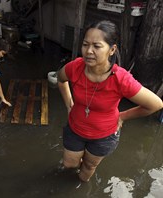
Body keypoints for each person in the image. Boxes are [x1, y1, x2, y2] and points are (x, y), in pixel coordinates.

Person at [57, 20, 163, 183]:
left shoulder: (121, 79)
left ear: (112, 49)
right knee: (69, 163)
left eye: (97, 46)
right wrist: (69, 104)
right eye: (85, 45)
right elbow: (60, 79)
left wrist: (122, 117)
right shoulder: (75, 67)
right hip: (75, 128)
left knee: (88, 168)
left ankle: (77, 189)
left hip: (103, 136)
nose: (88, 51)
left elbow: (156, 104)